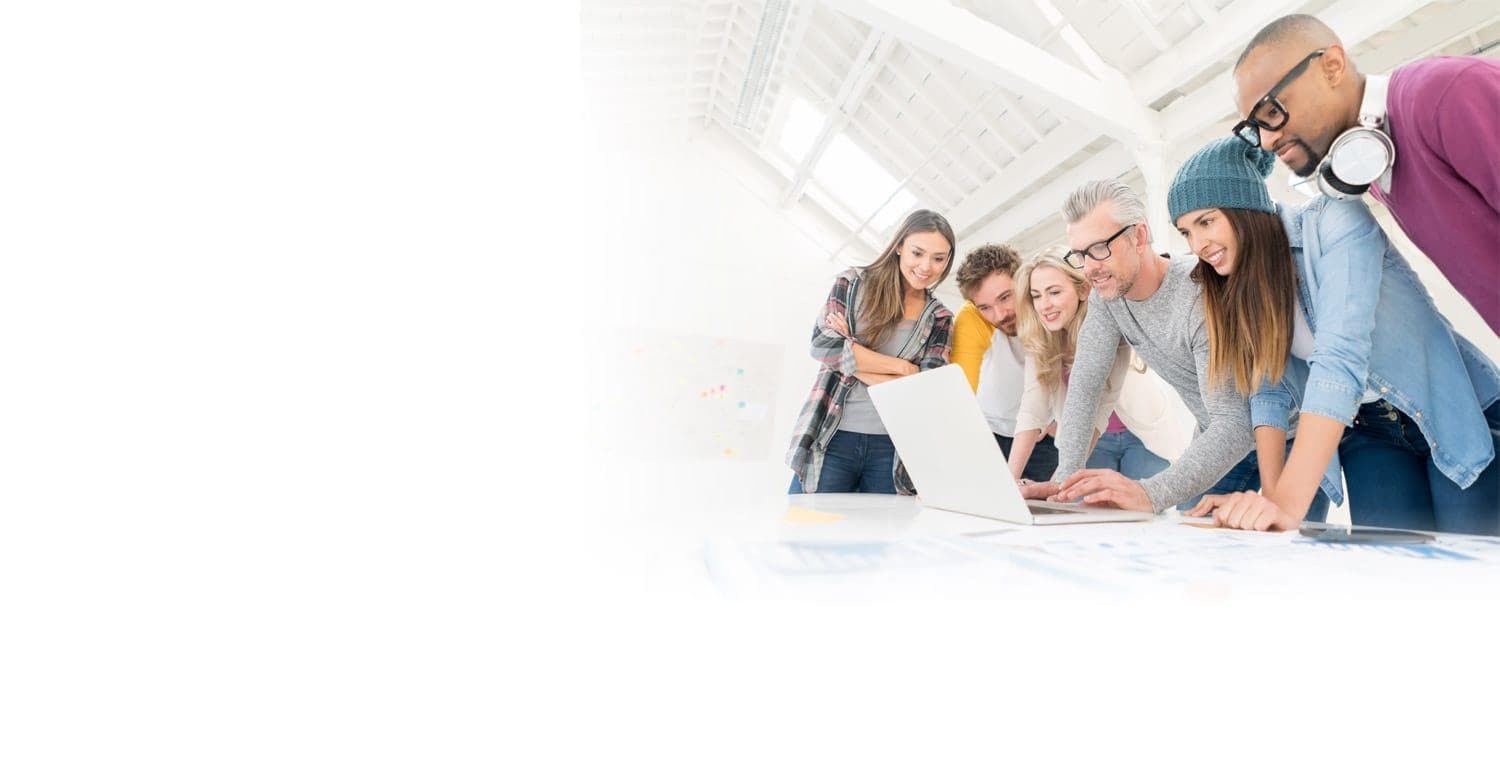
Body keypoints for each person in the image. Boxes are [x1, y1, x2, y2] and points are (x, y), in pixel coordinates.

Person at [1170, 137, 1500, 534]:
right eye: (1186, 232)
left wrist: (1290, 503)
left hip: (1450, 408)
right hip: (1370, 430)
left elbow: (1340, 356)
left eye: (1206, 222)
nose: (1197, 245)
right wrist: (1272, 499)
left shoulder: (1335, 218)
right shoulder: (1243, 288)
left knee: (1471, 569)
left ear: (1247, 207)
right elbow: (1268, 390)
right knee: (1395, 572)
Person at [1231, 13, 1500, 335]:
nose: (1267, 140)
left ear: (1331, 66)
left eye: (1272, 111)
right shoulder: (1372, 172)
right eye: (1254, 128)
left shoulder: (1444, 94)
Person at [1018, 180, 1256, 514]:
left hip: (1279, 437)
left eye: (1099, 248)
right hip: (1214, 439)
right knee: (1191, 541)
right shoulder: (1108, 299)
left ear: (1139, 237)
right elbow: (1086, 387)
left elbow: (1235, 420)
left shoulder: (1199, 294)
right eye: (1081, 255)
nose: (1089, 268)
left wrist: (1149, 493)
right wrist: (1064, 481)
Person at [786, 209, 956, 494]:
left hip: (891, 450)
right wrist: (902, 368)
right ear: (899, 246)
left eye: (938, 258)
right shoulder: (852, 284)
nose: (926, 266)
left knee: (881, 537)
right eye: (918, 253)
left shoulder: (940, 317)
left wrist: (850, 353)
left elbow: (924, 390)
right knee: (807, 531)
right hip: (831, 435)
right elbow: (822, 345)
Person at [1008, 250, 1191, 485]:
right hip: (1091, 442)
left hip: (1141, 436)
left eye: (1054, 292)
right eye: (1036, 296)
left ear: (1082, 290)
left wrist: (1056, 485)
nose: (1045, 305)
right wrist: (1009, 481)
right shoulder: (1040, 340)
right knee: (1088, 514)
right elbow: (1032, 408)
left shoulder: (1108, 325)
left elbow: (1098, 403)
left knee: (1140, 513)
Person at [949, 243, 1057, 482]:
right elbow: (959, 388)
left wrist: (1057, 421)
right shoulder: (971, 320)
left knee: (1044, 510)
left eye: (1006, 297)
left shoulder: (1048, 306)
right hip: (991, 432)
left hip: (1042, 437)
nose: (999, 315)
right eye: (985, 307)